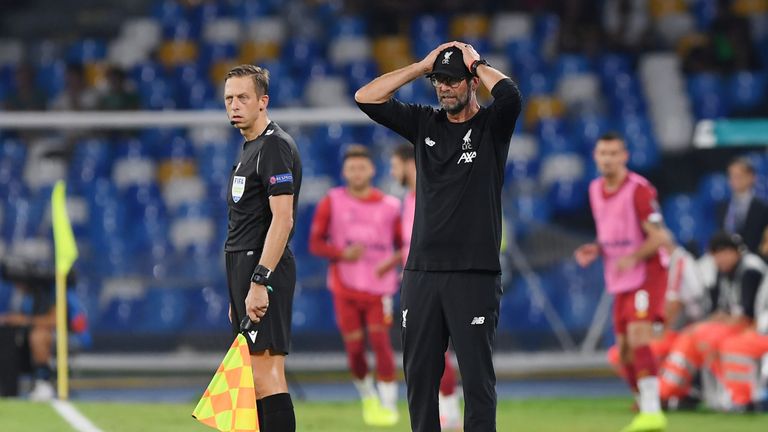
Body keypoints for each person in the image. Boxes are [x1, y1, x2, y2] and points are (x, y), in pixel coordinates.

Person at [356, 41, 522, 432]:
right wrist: (420, 66)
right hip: (421, 274)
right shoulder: (423, 123)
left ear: (471, 83)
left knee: (477, 381)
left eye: (451, 80)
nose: (443, 88)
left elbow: (510, 95)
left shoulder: (491, 128)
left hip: (473, 274)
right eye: (438, 81)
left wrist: (477, 62)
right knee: (419, 380)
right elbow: (366, 97)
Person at [222, 64, 302, 432]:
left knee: (266, 375)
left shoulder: (274, 146)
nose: (234, 105)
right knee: (254, 379)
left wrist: (258, 281)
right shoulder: (250, 146)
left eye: (243, 97)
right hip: (245, 270)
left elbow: (282, 220)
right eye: (229, 99)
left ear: (263, 101)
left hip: (262, 270)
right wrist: (236, 290)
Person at [574, 132, 668, 432]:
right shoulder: (594, 189)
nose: (608, 159)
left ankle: (653, 413)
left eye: (614, 153)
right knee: (625, 351)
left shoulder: (639, 189)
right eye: (603, 153)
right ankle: (644, 402)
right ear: (595, 157)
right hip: (619, 277)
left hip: (646, 273)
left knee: (640, 337)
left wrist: (633, 256)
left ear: (625, 156)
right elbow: (611, 231)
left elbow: (660, 237)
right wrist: (597, 248)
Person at [309, 144, 402, 426]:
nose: (357, 172)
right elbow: (315, 244)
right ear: (344, 172)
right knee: (354, 348)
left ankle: (389, 404)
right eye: (352, 168)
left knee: (381, 341)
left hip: (379, 287)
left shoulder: (390, 206)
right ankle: (367, 396)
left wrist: (392, 261)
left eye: (362, 167)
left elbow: (406, 244)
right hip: (345, 287)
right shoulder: (332, 201)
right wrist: (341, 254)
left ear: (372, 170)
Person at [390, 143, 462, 429]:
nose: (393, 172)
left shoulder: (432, 194)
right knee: (428, 352)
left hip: (438, 280)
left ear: (409, 165)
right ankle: (447, 412)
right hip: (417, 282)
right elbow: (413, 242)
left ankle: (451, 412)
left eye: (395, 166)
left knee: (435, 349)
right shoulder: (408, 200)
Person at [659, 233, 764, 408]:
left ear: (735, 252)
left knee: (705, 336)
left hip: (754, 329)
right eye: (716, 254)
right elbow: (717, 311)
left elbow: (746, 317)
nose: (719, 259)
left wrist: (715, 322)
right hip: (733, 327)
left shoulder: (750, 270)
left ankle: (738, 397)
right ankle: (669, 393)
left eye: (723, 253)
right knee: (691, 336)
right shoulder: (722, 272)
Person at [606, 226, 708, 384]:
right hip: (666, 329)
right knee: (620, 354)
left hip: (686, 330)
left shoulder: (679, 261)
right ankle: (644, 392)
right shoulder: (653, 265)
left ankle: (662, 392)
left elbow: (674, 306)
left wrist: (654, 334)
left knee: (646, 349)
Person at [717, 157, 768, 257]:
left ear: (751, 177)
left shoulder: (762, 208)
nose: (734, 180)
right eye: (731, 176)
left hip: (755, 258)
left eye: (738, 176)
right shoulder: (722, 207)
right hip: (728, 259)